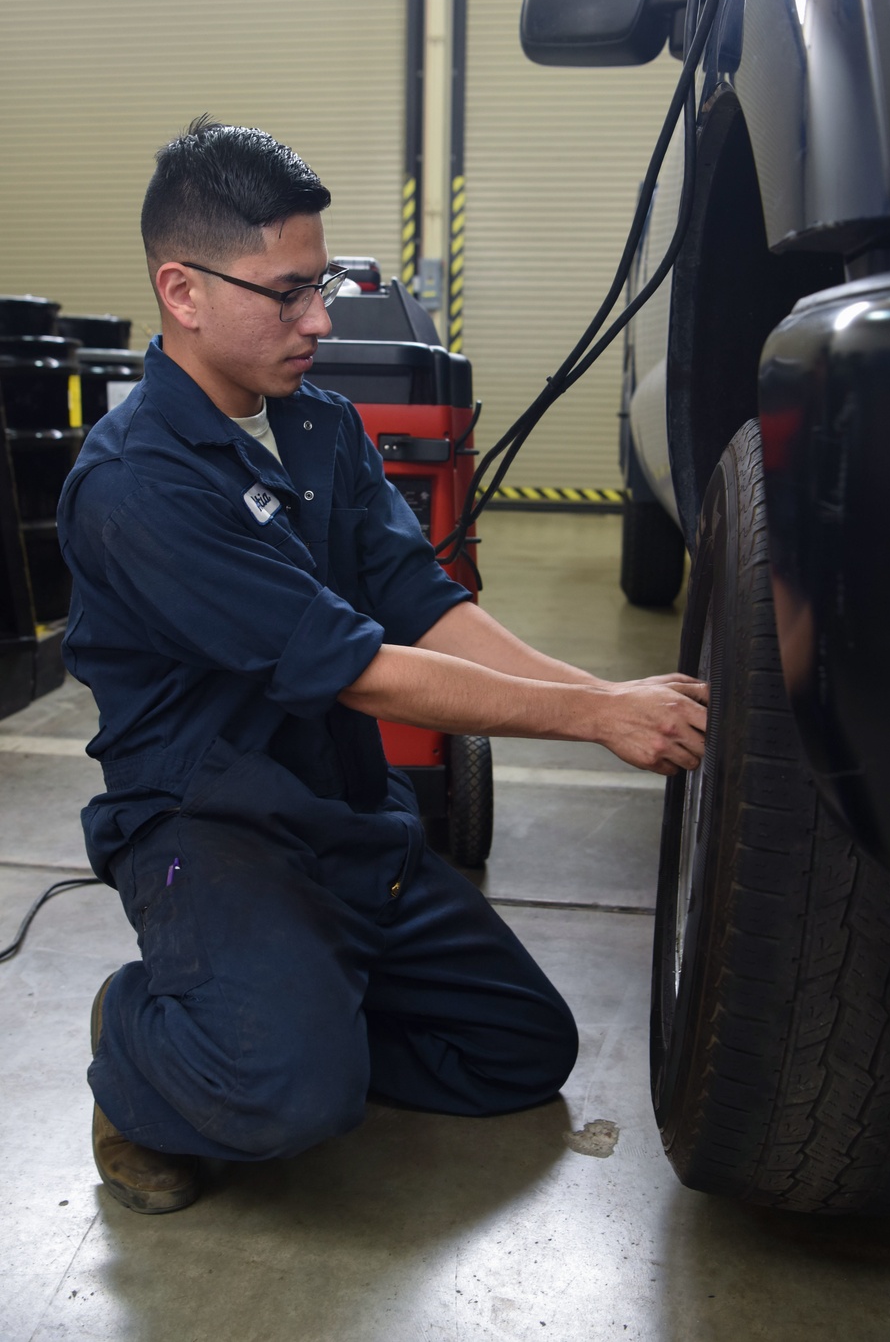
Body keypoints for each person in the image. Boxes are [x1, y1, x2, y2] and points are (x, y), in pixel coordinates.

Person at [57, 117, 708, 1215]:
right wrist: (597, 720)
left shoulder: (317, 427)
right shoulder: (137, 484)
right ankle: (144, 1041)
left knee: (518, 1049)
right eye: (288, 292)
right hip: (208, 829)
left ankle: (296, 1019)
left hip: (341, 814)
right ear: (183, 291)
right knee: (290, 1096)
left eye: (320, 285)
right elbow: (360, 669)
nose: (320, 319)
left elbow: (424, 605)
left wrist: (599, 698)